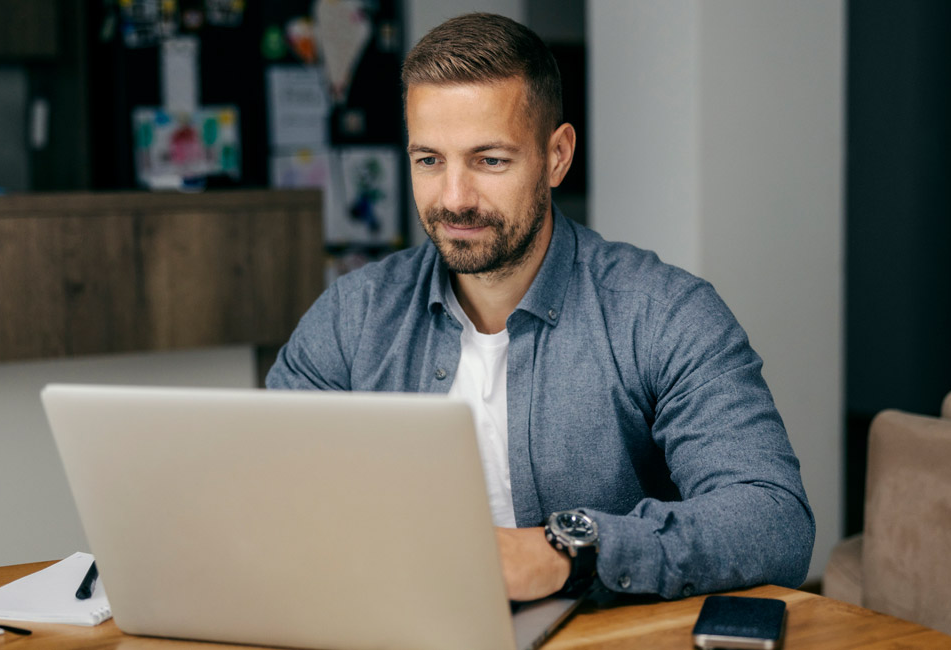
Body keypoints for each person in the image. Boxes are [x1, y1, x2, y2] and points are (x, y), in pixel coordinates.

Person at [267, 12, 814, 602]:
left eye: (490, 160)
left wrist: (566, 550)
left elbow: (772, 517)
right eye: (429, 160)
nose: (454, 198)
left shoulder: (665, 313)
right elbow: (262, 489)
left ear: (557, 156)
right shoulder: (353, 317)